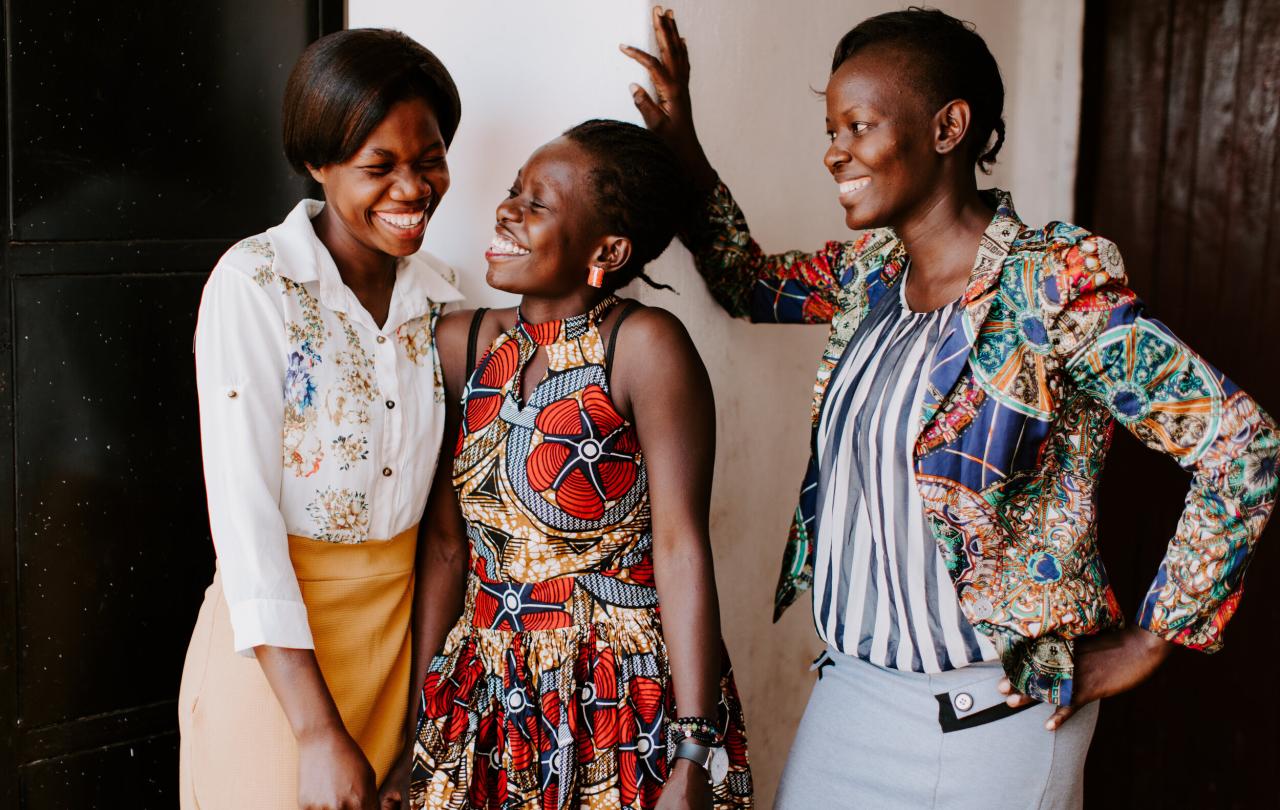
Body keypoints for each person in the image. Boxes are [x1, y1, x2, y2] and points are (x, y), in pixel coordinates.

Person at [623, 6, 1278, 808]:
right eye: (831, 128)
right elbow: (747, 281)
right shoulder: (870, 276)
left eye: (857, 126)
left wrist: (1153, 635)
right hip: (851, 697)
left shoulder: (1049, 285)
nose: (835, 151)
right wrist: (685, 155)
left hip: (995, 724)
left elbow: (1240, 445)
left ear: (948, 127)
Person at [400, 119, 753, 810]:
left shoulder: (643, 346)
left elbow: (681, 549)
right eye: (512, 193)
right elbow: (446, 548)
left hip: (619, 696)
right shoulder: (459, 343)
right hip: (486, 693)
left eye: (537, 203)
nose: (507, 210)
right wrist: (418, 720)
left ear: (609, 247)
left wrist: (691, 750)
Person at [177, 29, 465, 810]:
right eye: (379, 167)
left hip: (399, 653)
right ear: (317, 162)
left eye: (429, 158)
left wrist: (423, 722)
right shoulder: (255, 285)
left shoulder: (444, 297)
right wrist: (314, 733)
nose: (412, 189)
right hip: (276, 664)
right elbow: (244, 522)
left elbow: (446, 528)